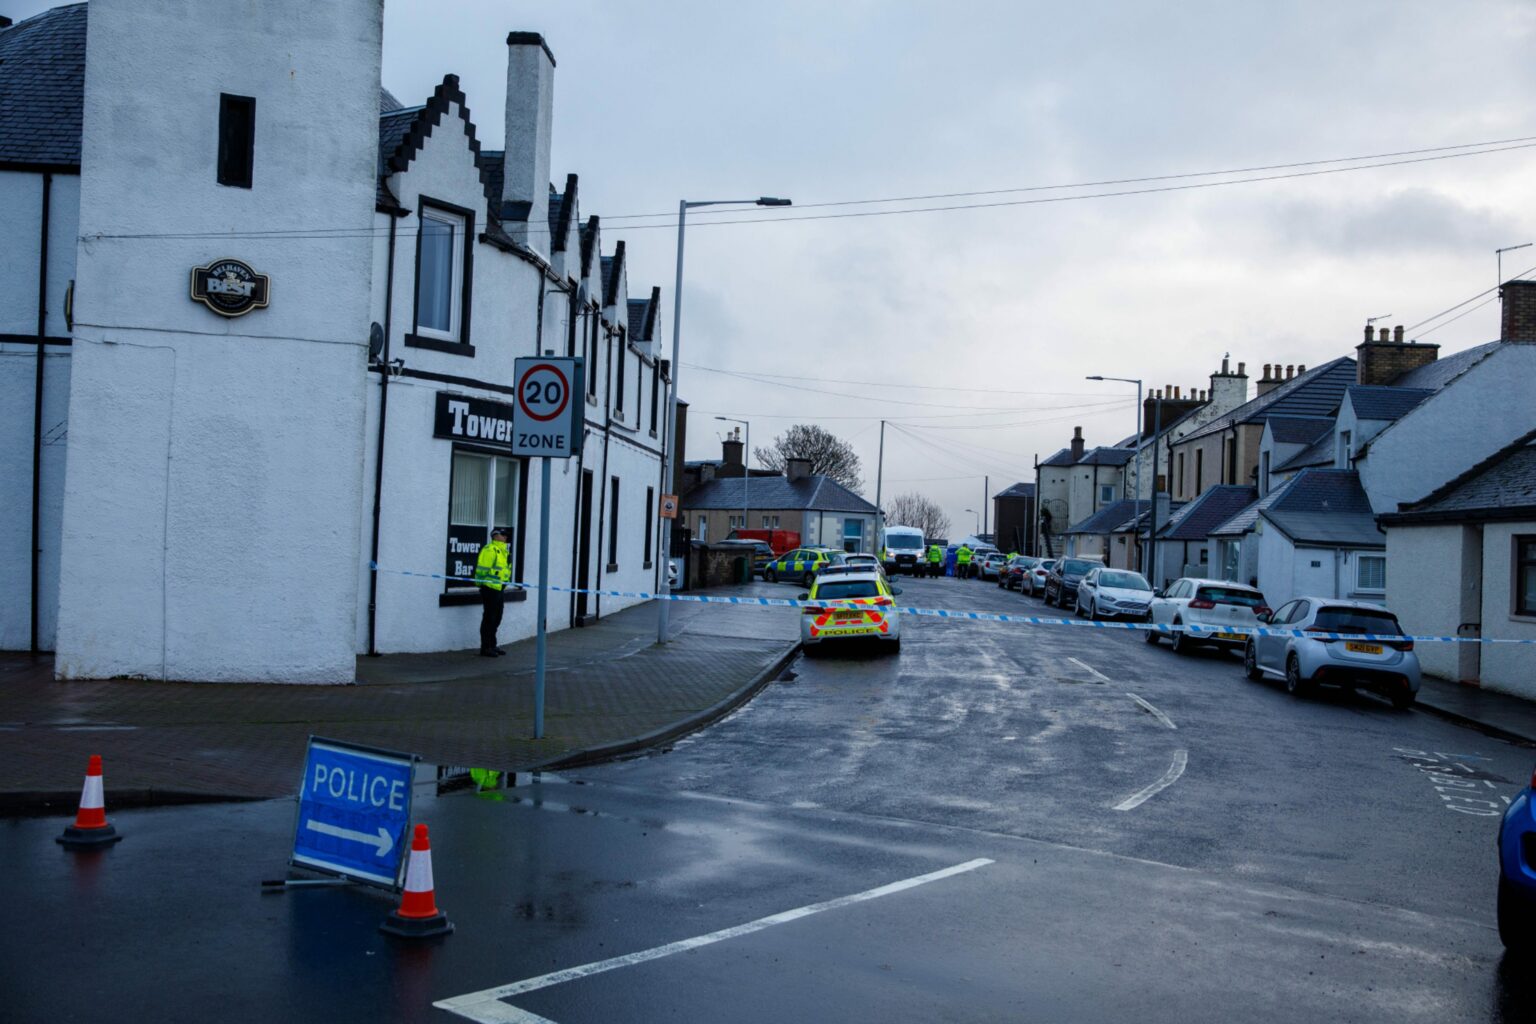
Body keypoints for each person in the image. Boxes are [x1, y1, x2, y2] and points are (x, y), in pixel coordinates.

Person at [475, 527, 511, 656]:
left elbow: (505, 571)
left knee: (497, 617)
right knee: (489, 618)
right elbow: (482, 569)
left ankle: (492, 644)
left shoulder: (503, 551)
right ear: (495, 536)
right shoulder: (490, 549)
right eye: (503, 534)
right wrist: (481, 583)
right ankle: (485, 647)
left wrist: (505, 584)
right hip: (489, 588)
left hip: (499, 589)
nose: (505, 536)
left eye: (506, 534)